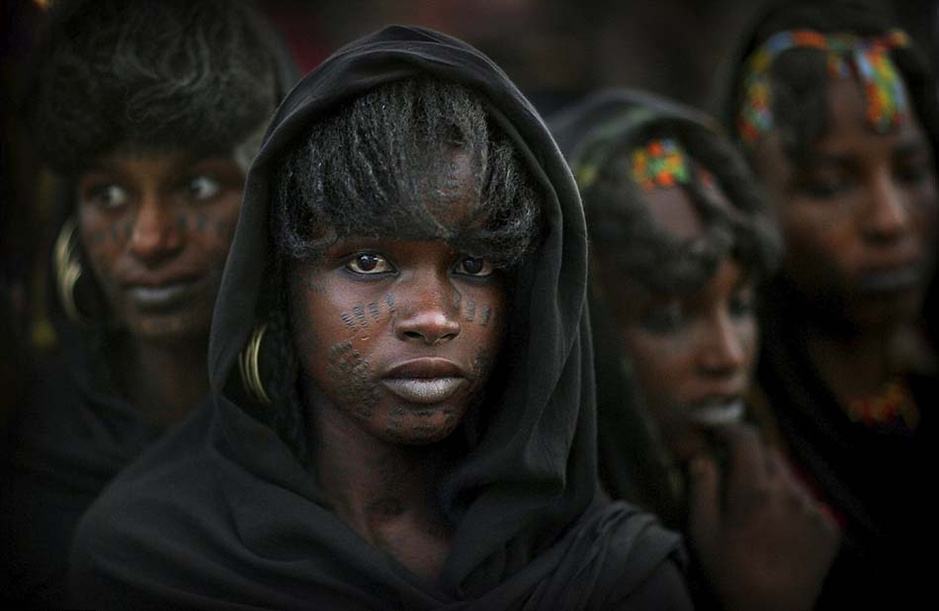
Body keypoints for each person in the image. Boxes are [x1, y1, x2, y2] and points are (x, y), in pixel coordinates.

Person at [67, 26, 691, 610]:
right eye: (368, 261)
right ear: (279, 281)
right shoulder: (153, 560)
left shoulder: (610, 576)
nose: (432, 317)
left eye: (473, 263)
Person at [0, 0, 296, 605]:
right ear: (71, 223)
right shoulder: (29, 444)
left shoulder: (340, 426)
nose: (150, 238)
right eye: (109, 193)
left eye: (199, 186)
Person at [552, 89, 840, 611]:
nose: (728, 356)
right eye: (668, 318)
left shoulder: (780, 490)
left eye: (740, 306)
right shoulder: (550, 566)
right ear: (573, 328)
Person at [717, 0, 939, 606]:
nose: (890, 221)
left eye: (913, 170)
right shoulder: (739, 464)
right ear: (751, 207)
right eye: (830, 185)